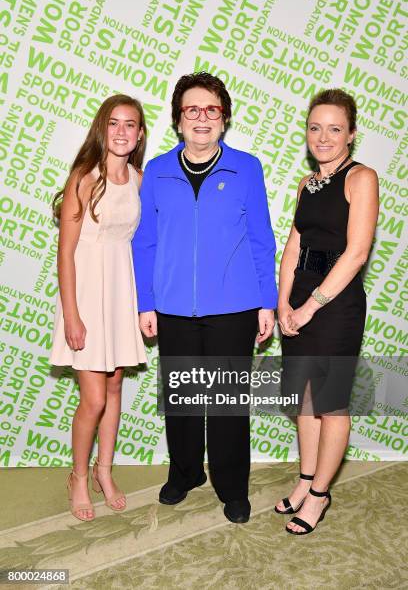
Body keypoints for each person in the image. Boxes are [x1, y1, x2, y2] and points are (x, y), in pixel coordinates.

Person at [132, 72, 277, 523]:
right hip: (173, 307)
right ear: (178, 120)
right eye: (191, 109)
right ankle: (186, 473)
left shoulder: (247, 167)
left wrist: (266, 301)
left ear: (224, 118)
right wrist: (145, 301)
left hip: (234, 308)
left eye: (211, 109)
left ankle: (232, 487)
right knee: (183, 398)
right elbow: (145, 241)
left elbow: (260, 239)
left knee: (228, 405)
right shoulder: (155, 170)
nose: (201, 118)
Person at [275, 89, 379, 534]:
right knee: (304, 401)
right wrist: (283, 303)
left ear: (351, 134)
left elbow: (356, 253)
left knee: (331, 404)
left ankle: (319, 495)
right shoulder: (306, 183)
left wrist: (310, 307)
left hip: (335, 307)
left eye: (335, 128)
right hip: (299, 302)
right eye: (315, 127)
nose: (323, 136)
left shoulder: (362, 178)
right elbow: (295, 246)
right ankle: (304, 480)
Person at [50, 94, 147, 521]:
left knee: (113, 389)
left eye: (131, 124)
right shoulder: (83, 179)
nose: (122, 131)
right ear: (101, 129)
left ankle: (103, 471)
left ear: (140, 134)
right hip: (87, 296)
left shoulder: (140, 179)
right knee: (92, 399)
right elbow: (65, 253)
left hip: (120, 294)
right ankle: (77, 475)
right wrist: (72, 314)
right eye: (114, 123)